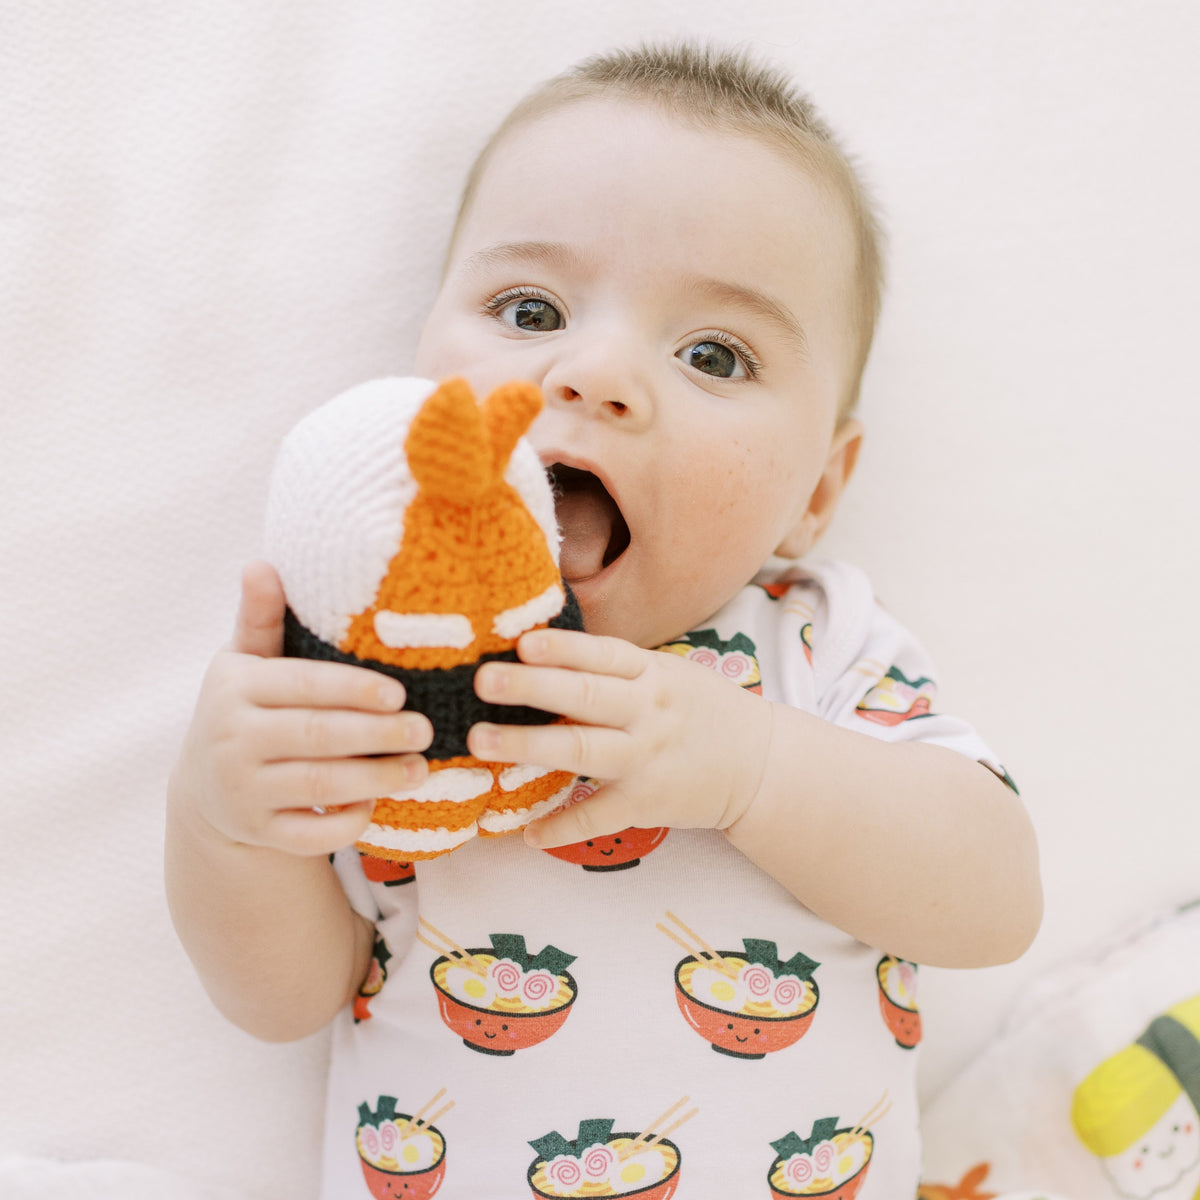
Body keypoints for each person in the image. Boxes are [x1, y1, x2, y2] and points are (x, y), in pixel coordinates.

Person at [166, 43, 1042, 1198]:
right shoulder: (375, 669)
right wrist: (227, 824)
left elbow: (992, 904)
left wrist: (753, 766)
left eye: (714, 355)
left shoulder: (811, 645)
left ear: (817, 490)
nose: (595, 373)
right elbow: (285, 1001)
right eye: (530, 310)